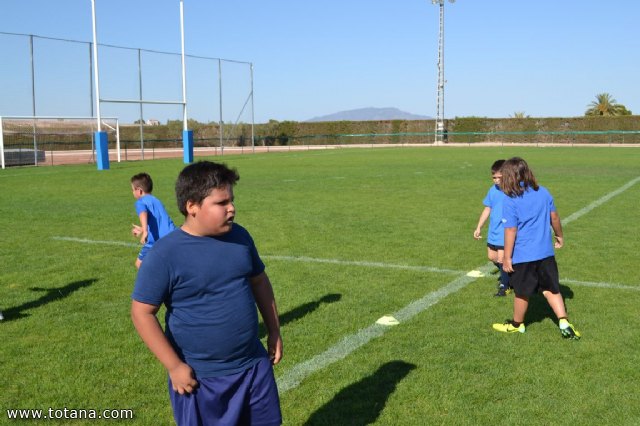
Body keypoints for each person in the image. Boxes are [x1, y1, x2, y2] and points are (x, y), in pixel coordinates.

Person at [131, 161, 283, 426]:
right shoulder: (166, 254)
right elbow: (142, 312)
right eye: (222, 203)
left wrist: (274, 330)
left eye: (231, 200)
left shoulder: (240, 237)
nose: (232, 208)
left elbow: (259, 282)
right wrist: (174, 366)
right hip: (202, 379)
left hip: (253, 365)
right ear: (192, 206)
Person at [492, 157, 580, 339]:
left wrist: (507, 257)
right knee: (551, 289)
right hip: (546, 254)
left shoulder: (510, 199)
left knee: (522, 293)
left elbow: (510, 229)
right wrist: (560, 235)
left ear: (508, 176)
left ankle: (517, 325)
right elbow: (554, 217)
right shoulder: (543, 192)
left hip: (524, 256)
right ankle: (563, 321)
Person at [473, 159, 511, 296]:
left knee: (502, 259)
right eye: (493, 177)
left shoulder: (512, 191)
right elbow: (487, 209)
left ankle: (505, 286)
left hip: (505, 231)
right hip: (493, 230)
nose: (495, 180)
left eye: (498, 177)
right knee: (492, 257)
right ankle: (510, 275)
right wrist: (479, 227)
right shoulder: (492, 190)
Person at [130, 173, 176, 269]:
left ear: (139, 191)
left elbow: (143, 213)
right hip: (172, 235)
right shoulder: (156, 200)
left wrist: (145, 231)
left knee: (139, 264)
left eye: (133, 190)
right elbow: (158, 221)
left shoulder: (140, 202)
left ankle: (151, 283)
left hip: (156, 240)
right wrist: (143, 229)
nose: (132, 192)